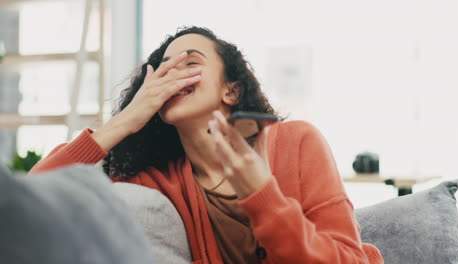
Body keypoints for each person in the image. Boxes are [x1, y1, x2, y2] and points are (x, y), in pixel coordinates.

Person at [31, 26, 384, 264]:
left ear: (231, 90)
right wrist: (125, 120)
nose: (171, 73)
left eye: (190, 64)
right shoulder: (159, 182)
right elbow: (34, 195)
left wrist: (262, 194)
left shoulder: (297, 141)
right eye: (162, 68)